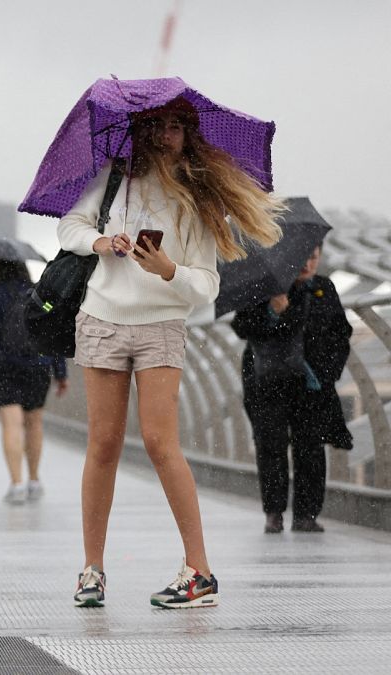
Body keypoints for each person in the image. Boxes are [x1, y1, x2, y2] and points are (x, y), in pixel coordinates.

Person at [57, 98, 283, 609]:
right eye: (156, 125)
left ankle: (198, 571)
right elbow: (68, 226)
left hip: (161, 325)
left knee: (161, 442)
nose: (167, 134)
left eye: (177, 126)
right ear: (139, 130)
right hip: (101, 319)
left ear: (189, 134)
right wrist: (100, 241)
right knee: (104, 445)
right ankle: (91, 569)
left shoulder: (197, 197)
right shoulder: (112, 177)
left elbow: (205, 285)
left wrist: (166, 269)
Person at [231, 245, 352, 534]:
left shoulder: (323, 288)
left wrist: (329, 373)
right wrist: (274, 312)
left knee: (310, 447)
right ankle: (274, 513)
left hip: (311, 385)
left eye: (313, 256)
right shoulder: (265, 287)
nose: (307, 263)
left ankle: (306, 515)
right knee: (270, 446)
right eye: (301, 256)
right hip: (267, 382)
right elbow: (242, 326)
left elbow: (340, 333)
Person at [0, 258, 68, 504]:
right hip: (37, 363)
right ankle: (35, 480)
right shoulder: (39, 291)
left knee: (11, 424)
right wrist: (60, 372)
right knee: (34, 422)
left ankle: (16, 483)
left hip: (3, 364)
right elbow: (52, 330)